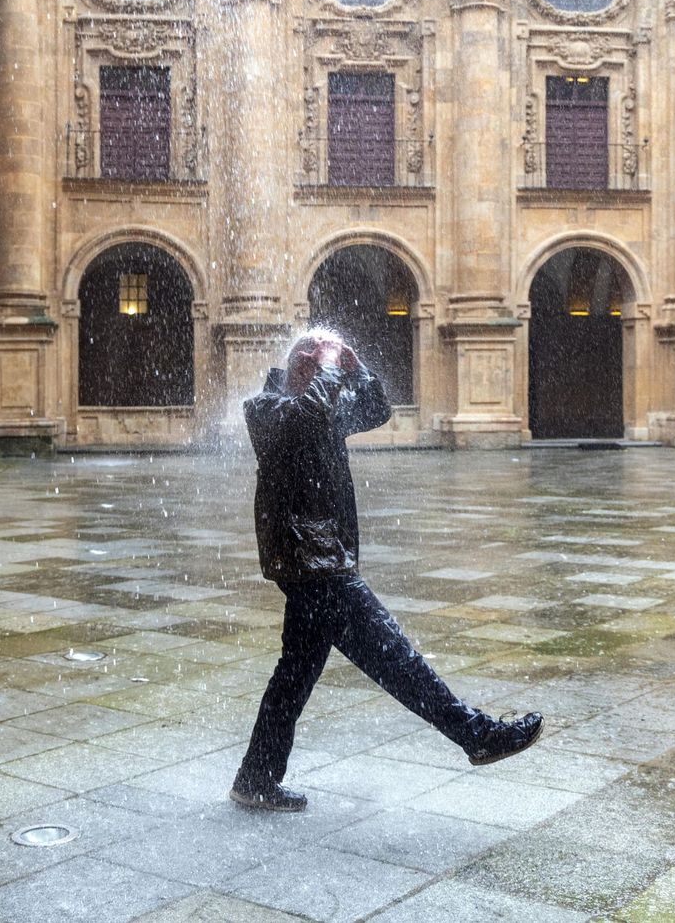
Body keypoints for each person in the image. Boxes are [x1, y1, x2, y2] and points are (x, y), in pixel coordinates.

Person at [231, 330, 543, 812]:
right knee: (397, 659)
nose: (330, 379)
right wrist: (330, 367)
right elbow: (308, 416)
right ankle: (476, 735)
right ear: (301, 368)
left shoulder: (322, 402)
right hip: (312, 566)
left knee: (294, 675)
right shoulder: (268, 409)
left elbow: (376, 410)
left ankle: (256, 778)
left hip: (323, 559)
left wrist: (357, 371)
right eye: (319, 366)